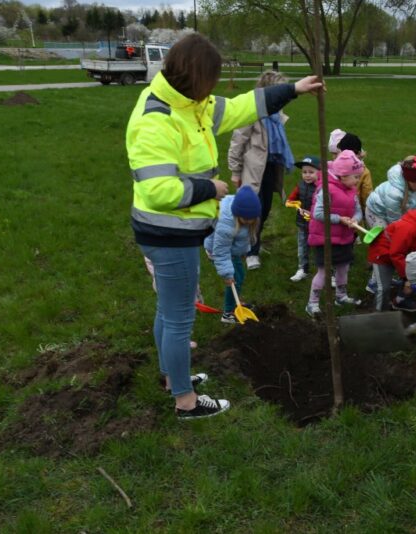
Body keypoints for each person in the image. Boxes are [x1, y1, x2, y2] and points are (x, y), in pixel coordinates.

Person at [126, 34, 321, 420]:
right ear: (195, 78)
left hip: (170, 230)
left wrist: (294, 89)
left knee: (168, 310)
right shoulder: (157, 120)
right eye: (211, 80)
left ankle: (171, 377)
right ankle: (185, 401)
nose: (215, 89)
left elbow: (241, 108)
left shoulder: (191, 105)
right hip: (168, 233)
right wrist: (210, 188)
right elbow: (158, 188)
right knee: (180, 317)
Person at [228, 70, 296, 270]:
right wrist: (235, 170)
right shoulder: (251, 112)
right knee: (252, 211)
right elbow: (237, 142)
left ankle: (251, 242)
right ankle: (250, 251)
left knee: (264, 210)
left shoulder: (276, 114)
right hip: (253, 170)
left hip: (271, 167)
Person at [305, 150, 364, 316]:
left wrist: (356, 220)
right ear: (343, 175)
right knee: (324, 271)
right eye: (356, 176)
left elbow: (358, 210)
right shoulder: (326, 189)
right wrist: (340, 219)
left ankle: (341, 296)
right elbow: (318, 214)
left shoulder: (352, 190)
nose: (358, 180)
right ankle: (312, 303)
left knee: (343, 268)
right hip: (324, 238)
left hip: (344, 237)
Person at [204, 186, 261, 324]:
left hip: (232, 251)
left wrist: (243, 250)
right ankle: (228, 313)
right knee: (234, 280)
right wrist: (227, 274)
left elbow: (244, 237)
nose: (248, 221)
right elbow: (221, 252)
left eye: (251, 219)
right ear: (236, 213)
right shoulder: (226, 225)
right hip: (218, 252)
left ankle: (235, 302)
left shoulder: (247, 218)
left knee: (239, 276)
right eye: (245, 218)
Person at [365, 154, 416, 229]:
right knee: (385, 236)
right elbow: (394, 220)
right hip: (376, 212)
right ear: (412, 181)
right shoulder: (394, 194)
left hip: (393, 212)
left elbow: (414, 208)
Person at [286, 156, 320, 282]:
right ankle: (302, 269)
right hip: (302, 223)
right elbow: (291, 199)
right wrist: (291, 203)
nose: (307, 175)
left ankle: (327, 271)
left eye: (311, 172)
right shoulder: (300, 186)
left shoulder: (321, 187)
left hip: (317, 224)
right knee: (302, 247)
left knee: (320, 248)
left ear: (319, 173)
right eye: (304, 172)